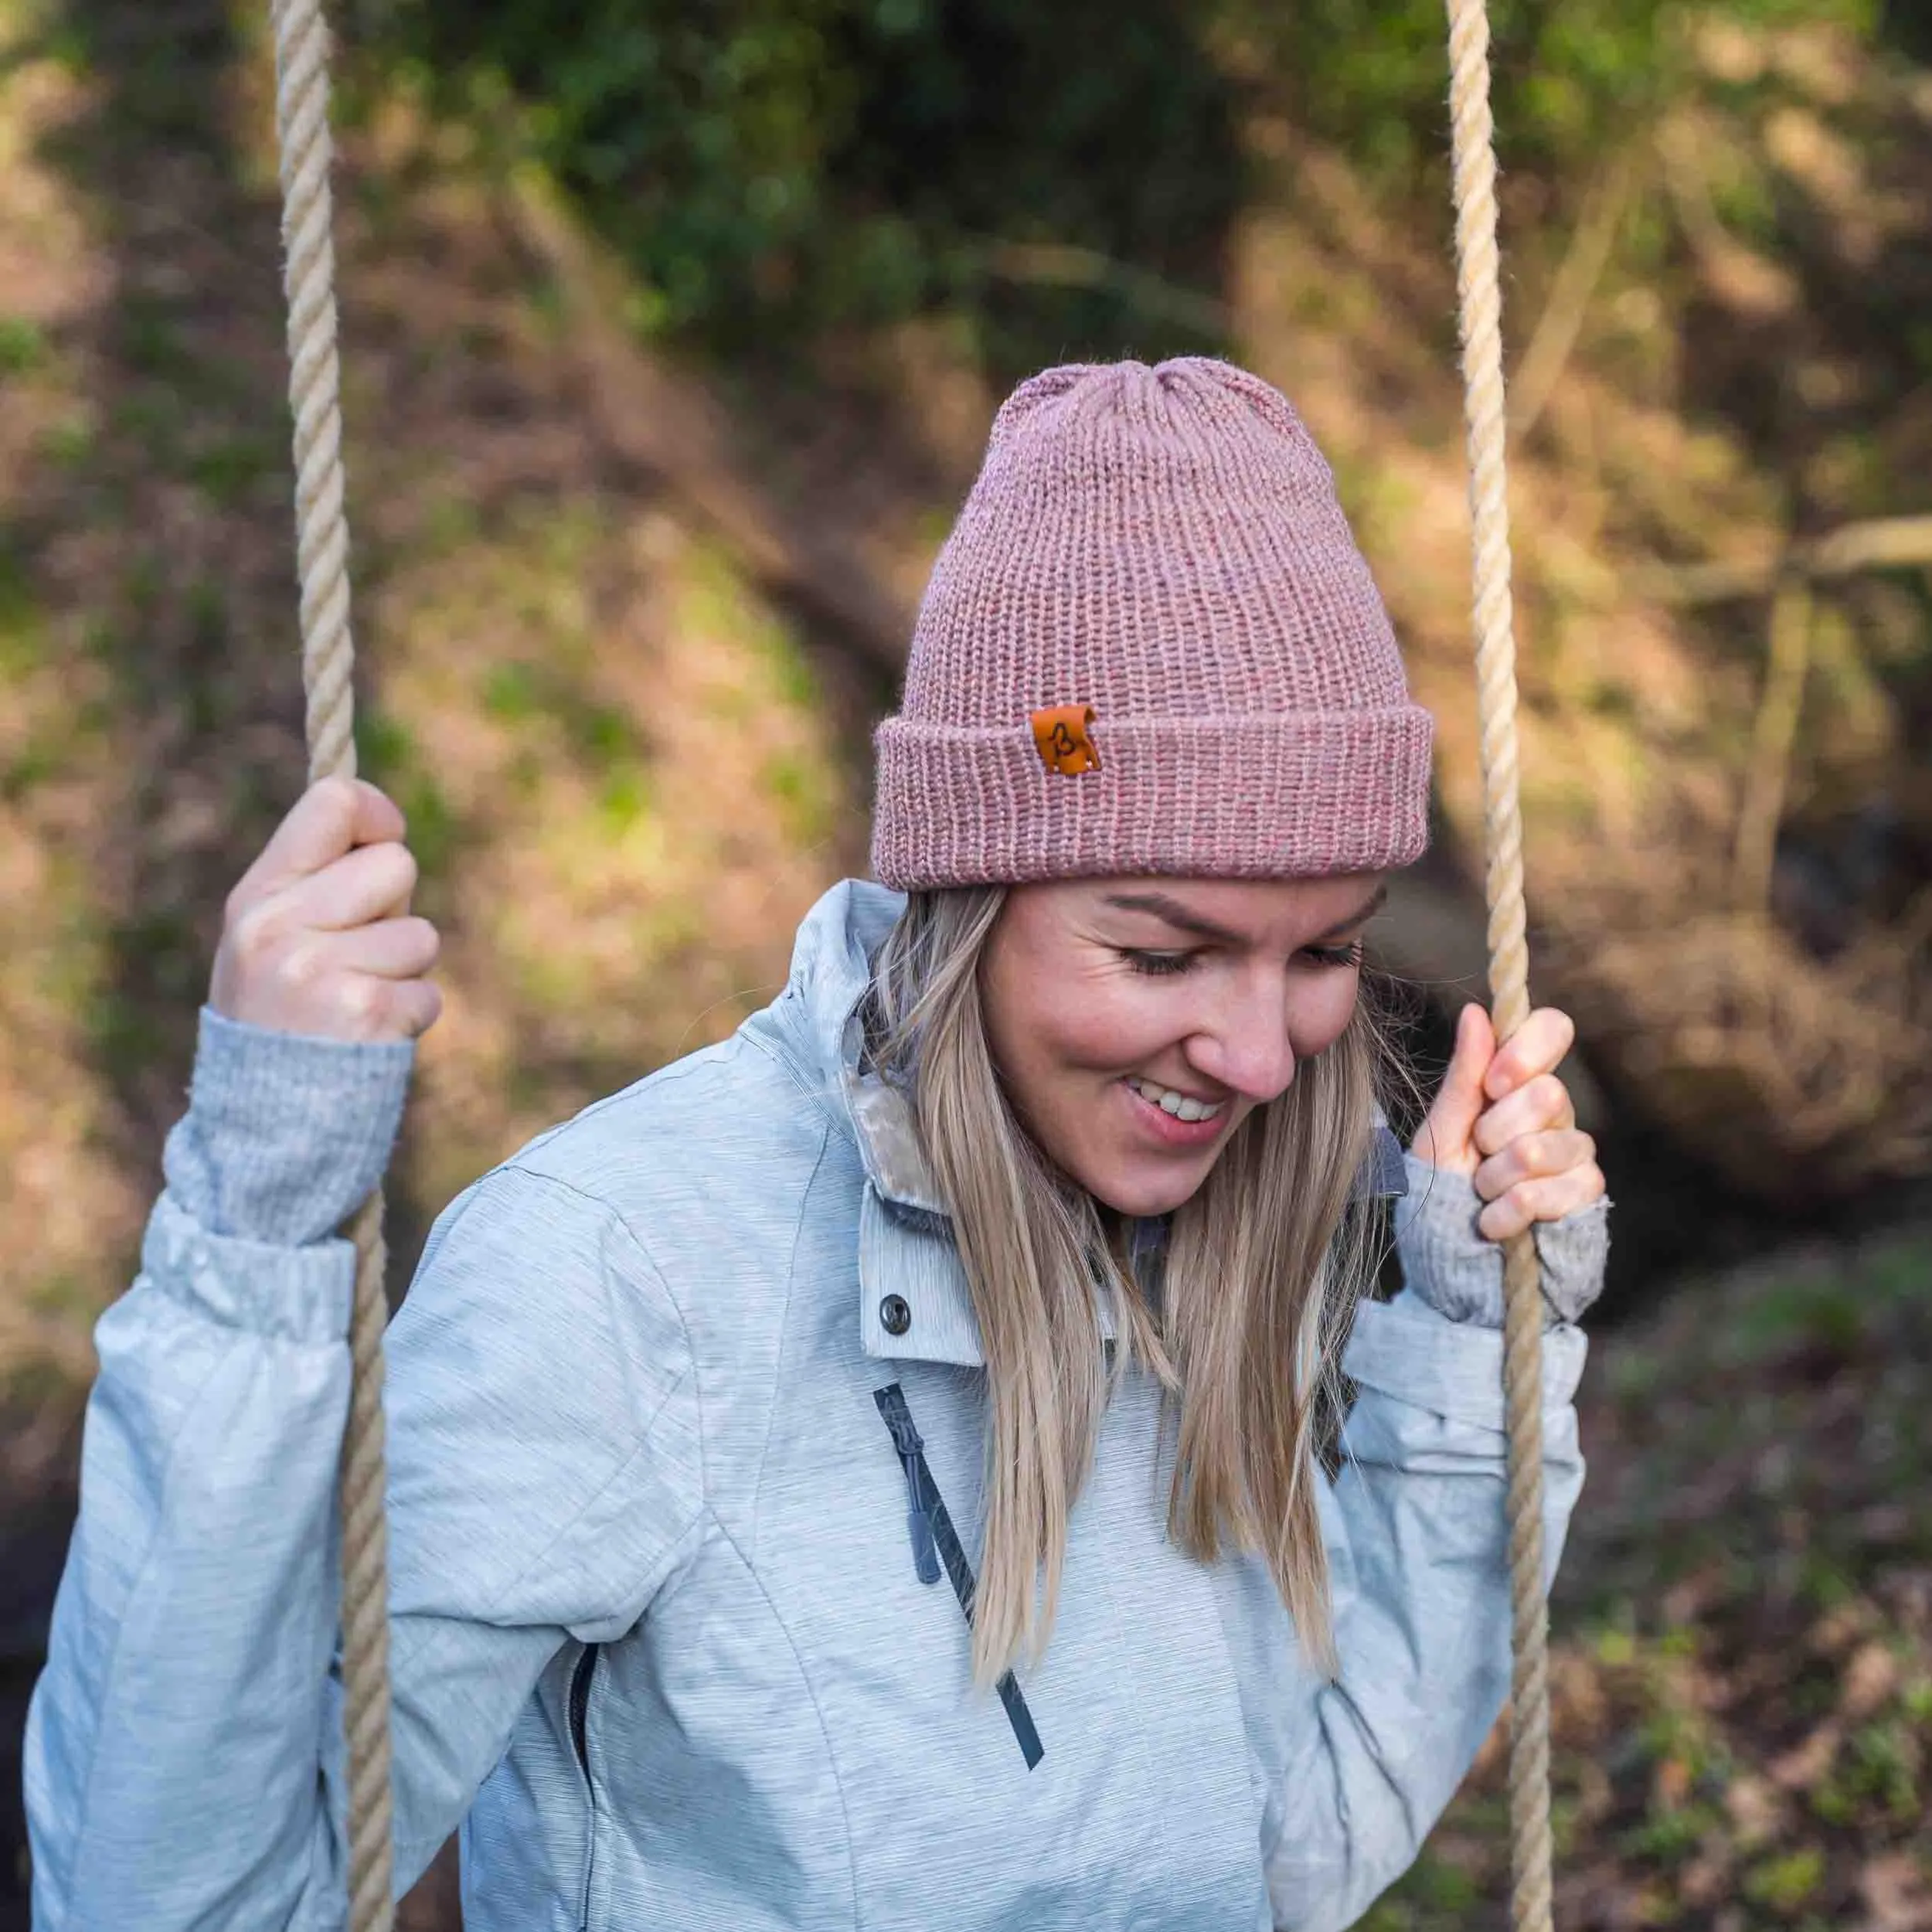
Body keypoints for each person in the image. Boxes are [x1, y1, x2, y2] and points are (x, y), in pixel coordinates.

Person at [26, 358, 1608, 1931]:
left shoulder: (1228, 1216)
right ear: (972, 896)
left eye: (1321, 951)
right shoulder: (619, 1268)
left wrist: (1474, 1348)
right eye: (1161, 952)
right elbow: (177, 1906)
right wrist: (255, 1221)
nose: (1261, 1055)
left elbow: (1290, 1856)